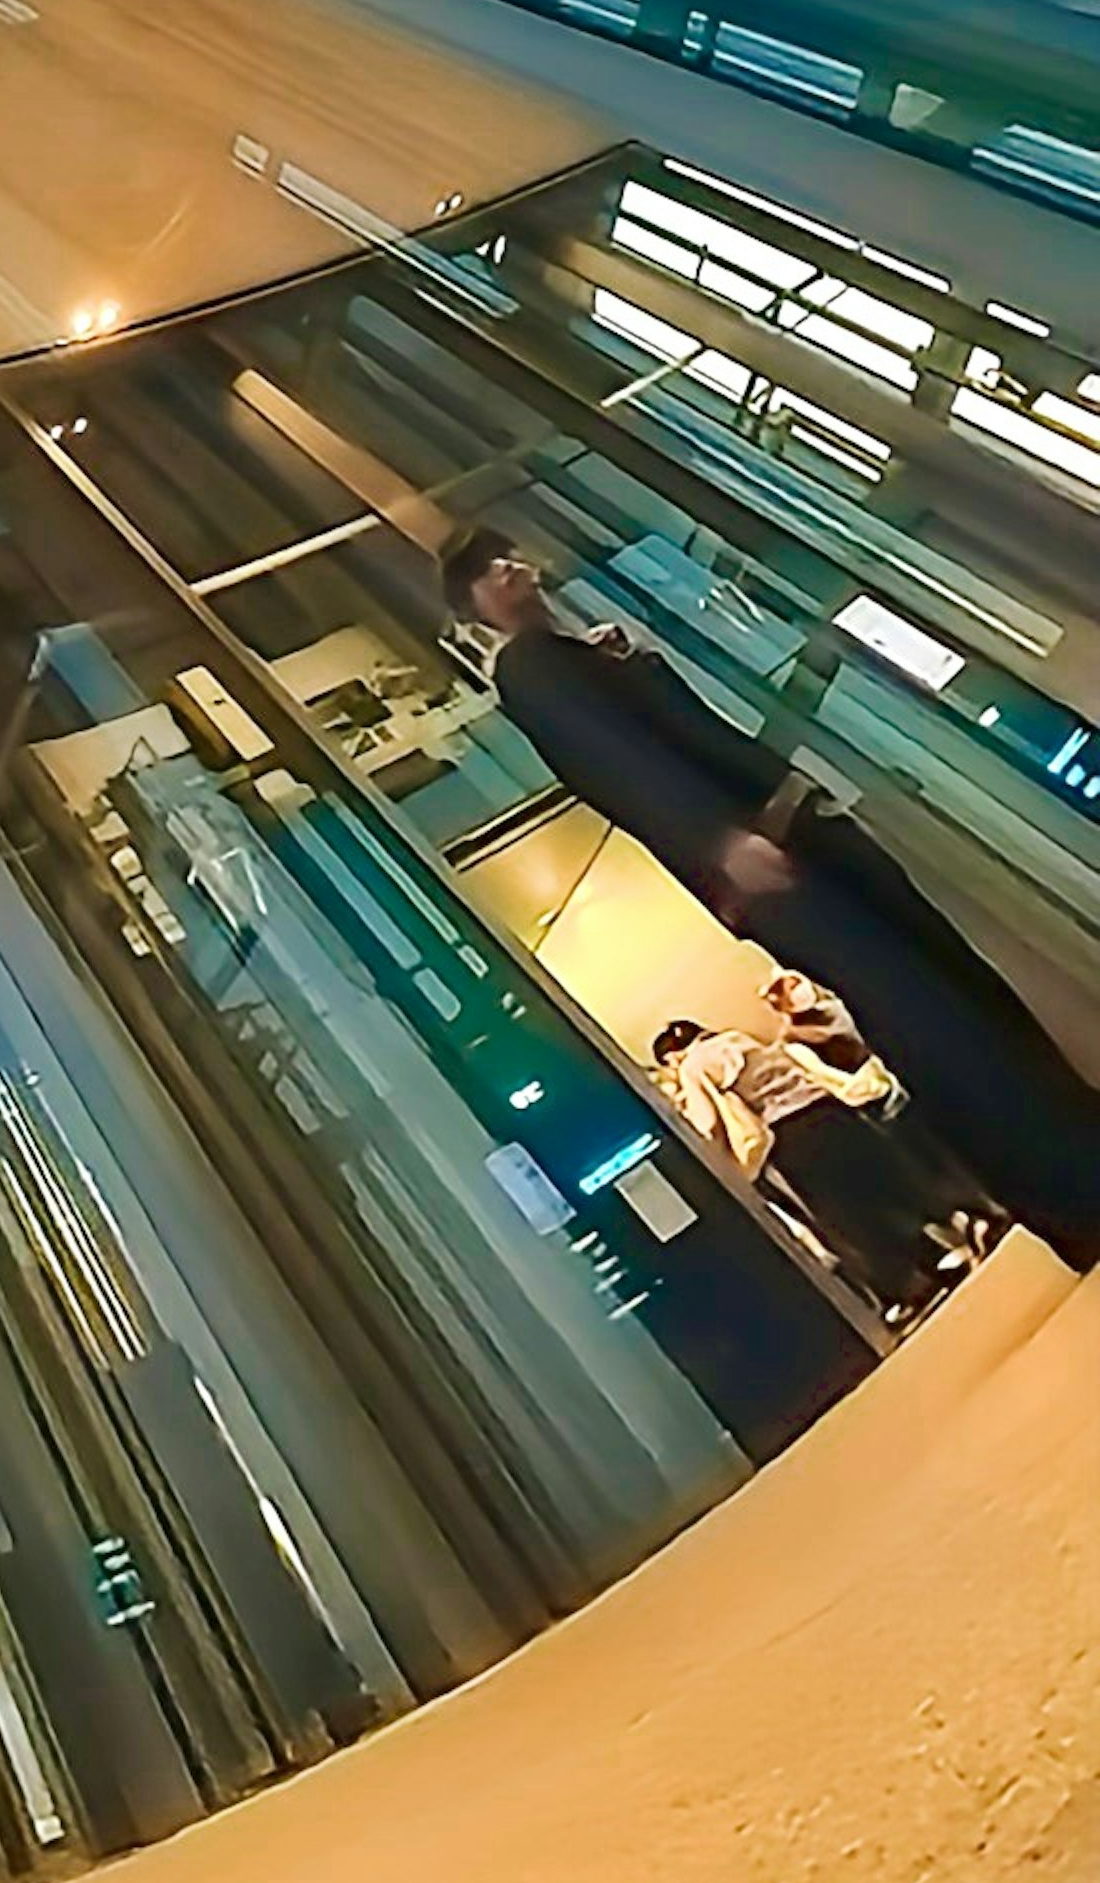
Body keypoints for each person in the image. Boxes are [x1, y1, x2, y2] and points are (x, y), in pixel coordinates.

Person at [442, 521, 1100, 1263]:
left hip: (779, 831)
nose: (513, 568)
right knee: (925, 1006)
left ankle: (1069, 1161)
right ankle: (1071, 1179)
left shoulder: (570, 653)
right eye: (489, 572)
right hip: (763, 851)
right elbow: (616, 766)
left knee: (940, 981)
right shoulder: (529, 668)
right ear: (473, 608)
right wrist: (716, 840)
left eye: (509, 554)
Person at [644, 1009, 959, 1322]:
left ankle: (911, 1288)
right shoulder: (738, 1038)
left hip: (793, 1135)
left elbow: (707, 1125)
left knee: (846, 1217)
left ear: (672, 1057)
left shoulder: (693, 1067)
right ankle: (943, 1252)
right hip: (828, 1109)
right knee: (877, 1187)